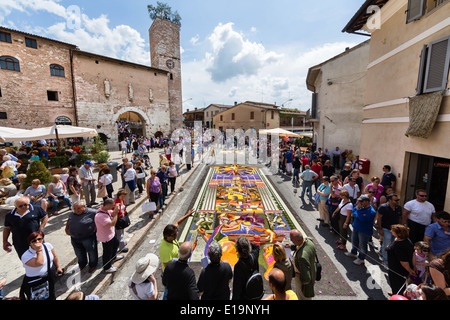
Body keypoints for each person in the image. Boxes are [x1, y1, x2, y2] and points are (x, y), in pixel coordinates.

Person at [159, 209, 194, 299]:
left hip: (175, 267)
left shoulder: (169, 235)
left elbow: (177, 222)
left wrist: (187, 215)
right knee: (168, 292)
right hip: (170, 274)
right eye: (174, 235)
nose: (176, 236)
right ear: (168, 236)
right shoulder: (165, 249)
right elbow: (168, 267)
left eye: (176, 233)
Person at [19, 231, 63, 300]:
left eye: (39, 239)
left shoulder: (48, 246)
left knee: (51, 295)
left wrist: (58, 267)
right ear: (30, 243)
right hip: (36, 281)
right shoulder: (26, 256)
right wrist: (39, 250)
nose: (37, 242)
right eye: (34, 241)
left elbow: (54, 256)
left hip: (48, 276)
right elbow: (39, 263)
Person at [65, 201, 98, 273]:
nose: (77, 210)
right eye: (75, 209)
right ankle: (82, 264)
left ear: (84, 207)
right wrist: (67, 229)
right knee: (79, 253)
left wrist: (97, 225)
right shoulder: (72, 214)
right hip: (74, 238)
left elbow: (102, 215)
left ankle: (93, 265)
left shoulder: (92, 212)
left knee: (91, 252)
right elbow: (69, 221)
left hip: (87, 237)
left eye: (79, 208)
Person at [345, 195, 376, 265]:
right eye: (359, 201)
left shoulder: (371, 211)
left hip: (364, 231)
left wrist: (358, 212)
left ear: (367, 202)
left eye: (361, 201)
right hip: (356, 227)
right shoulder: (360, 207)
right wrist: (358, 213)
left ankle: (361, 258)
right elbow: (353, 212)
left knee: (362, 245)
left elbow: (362, 219)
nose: (359, 202)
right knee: (354, 241)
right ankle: (353, 252)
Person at [94, 198, 123, 273]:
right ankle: (107, 267)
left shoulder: (105, 210)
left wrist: (115, 211)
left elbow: (112, 213)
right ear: (107, 206)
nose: (112, 207)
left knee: (116, 244)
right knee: (107, 252)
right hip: (106, 237)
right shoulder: (100, 216)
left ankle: (114, 257)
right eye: (112, 206)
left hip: (111, 234)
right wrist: (116, 214)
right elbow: (112, 223)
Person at [385, 224, 415, 295]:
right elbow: (413, 254)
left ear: (399, 233)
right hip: (400, 269)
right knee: (398, 284)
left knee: (397, 285)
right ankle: (395, 293)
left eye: (393, 230)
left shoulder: (398, 246)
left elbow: (404, 262)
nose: (391, 231)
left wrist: (410, 270)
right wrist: (414, 266)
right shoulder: (406, 240)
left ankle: (397, 296)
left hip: (397, 269)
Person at [289, 229, 316, 300]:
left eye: (292, 240)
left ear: (298, 240)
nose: (291, 241)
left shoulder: (302, 257)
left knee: (302, 297)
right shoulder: (309, 241)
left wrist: (299, 276)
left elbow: (306, 278)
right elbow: (299, 246)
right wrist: (291, 246)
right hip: (312, 271)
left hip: (302, 282)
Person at [232, 236, 261, 300]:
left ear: (237, 250)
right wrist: (246, 243)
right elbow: (257, 247)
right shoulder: (254, 255)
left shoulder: (238, 266)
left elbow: (237, 288)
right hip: (255, 293)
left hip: (245, 296)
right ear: (249, 247)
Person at [377, 193, 402, 266]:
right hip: (386, 228)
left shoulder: (399, 208)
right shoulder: (383, 207)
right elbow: (379, 218)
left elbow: (400, 218)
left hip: (395, 230)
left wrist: (399, 227)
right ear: (390, 200)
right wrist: (380, 229)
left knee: (391, 243)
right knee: (387, 244)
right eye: (395, 200)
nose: (397, 201)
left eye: (398, 200)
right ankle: (385, 260)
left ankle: (382, 251)